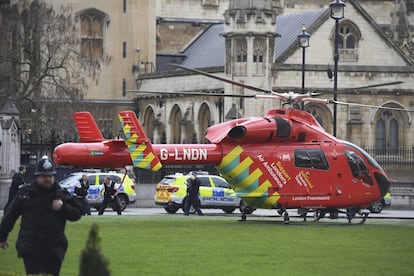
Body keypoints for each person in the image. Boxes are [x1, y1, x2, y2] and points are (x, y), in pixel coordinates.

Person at [0, 158, 81, 276]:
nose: (47, 179)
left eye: (50, 176)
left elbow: (77, 214)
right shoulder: (26, 193)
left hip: (54, 246)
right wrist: (2, 236)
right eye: (44, 176)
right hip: (31, 245)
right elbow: (11, 215)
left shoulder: (61, 193)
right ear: (37, 177)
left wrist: (63, 207)